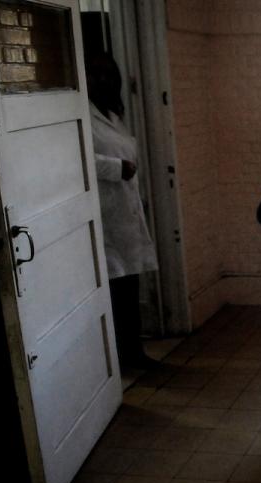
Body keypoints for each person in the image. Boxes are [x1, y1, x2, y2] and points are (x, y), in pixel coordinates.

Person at [86, 52, 160, 371]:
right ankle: (116, 361)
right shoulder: (80, 115)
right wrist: (117, 168)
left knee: (129, 288)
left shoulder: (114, 114)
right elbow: (73, 159)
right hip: (102, 219)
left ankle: (133, 352)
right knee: (113, 293)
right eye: (95, 73)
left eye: (108, 73)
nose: (103, 79)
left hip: (125, 214)